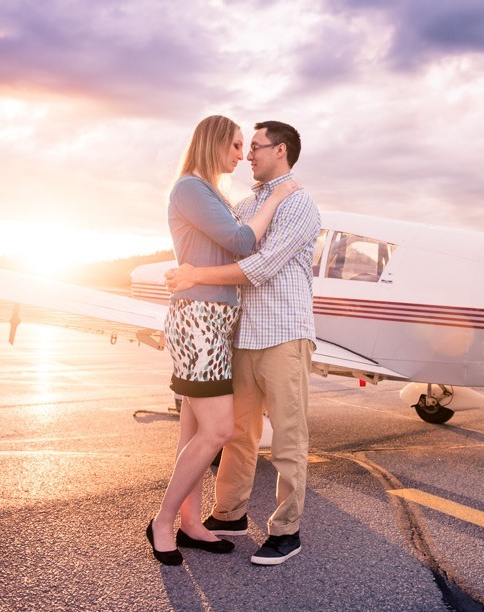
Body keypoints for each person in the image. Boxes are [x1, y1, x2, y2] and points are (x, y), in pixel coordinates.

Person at [164, 120, 321, 566]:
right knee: (237, 434)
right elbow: (229, 243)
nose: (247, 155)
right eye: (244, 147)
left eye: (255, 147)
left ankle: (287, 530)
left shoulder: (299, 203)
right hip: (243, 334)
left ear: (282, 151)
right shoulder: (250, 202)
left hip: (284, 334)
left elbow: (263, 264)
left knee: (289, 438)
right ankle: (229, 513)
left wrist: (194, 275)